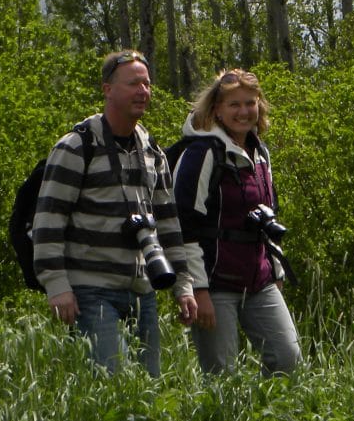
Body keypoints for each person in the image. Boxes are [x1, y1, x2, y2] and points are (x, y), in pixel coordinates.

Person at [32, 49, 198, 376]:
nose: (143, 91)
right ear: (107, 90)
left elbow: (168, 225)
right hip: (91, 289)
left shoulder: (152, 152)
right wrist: (57, 285)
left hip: (141, 289)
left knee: (148, 386)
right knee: (116, 382)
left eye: (147, 84)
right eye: (134, 84)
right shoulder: (77, 146)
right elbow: (48, 220)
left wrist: (183, 285)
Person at [172, 68, 301, 376]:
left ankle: (271, 420)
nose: (243, 112)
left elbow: (269, 214)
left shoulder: (259, 153)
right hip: (215, 285)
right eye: (234, 104)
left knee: (287, 359)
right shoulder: (202, 153)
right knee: (222, 378)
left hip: (260, 279)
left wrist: (276, 270)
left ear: (259, 106)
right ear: (216, 109)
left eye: (250, 103)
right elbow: (183, 225)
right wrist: (197, 290)